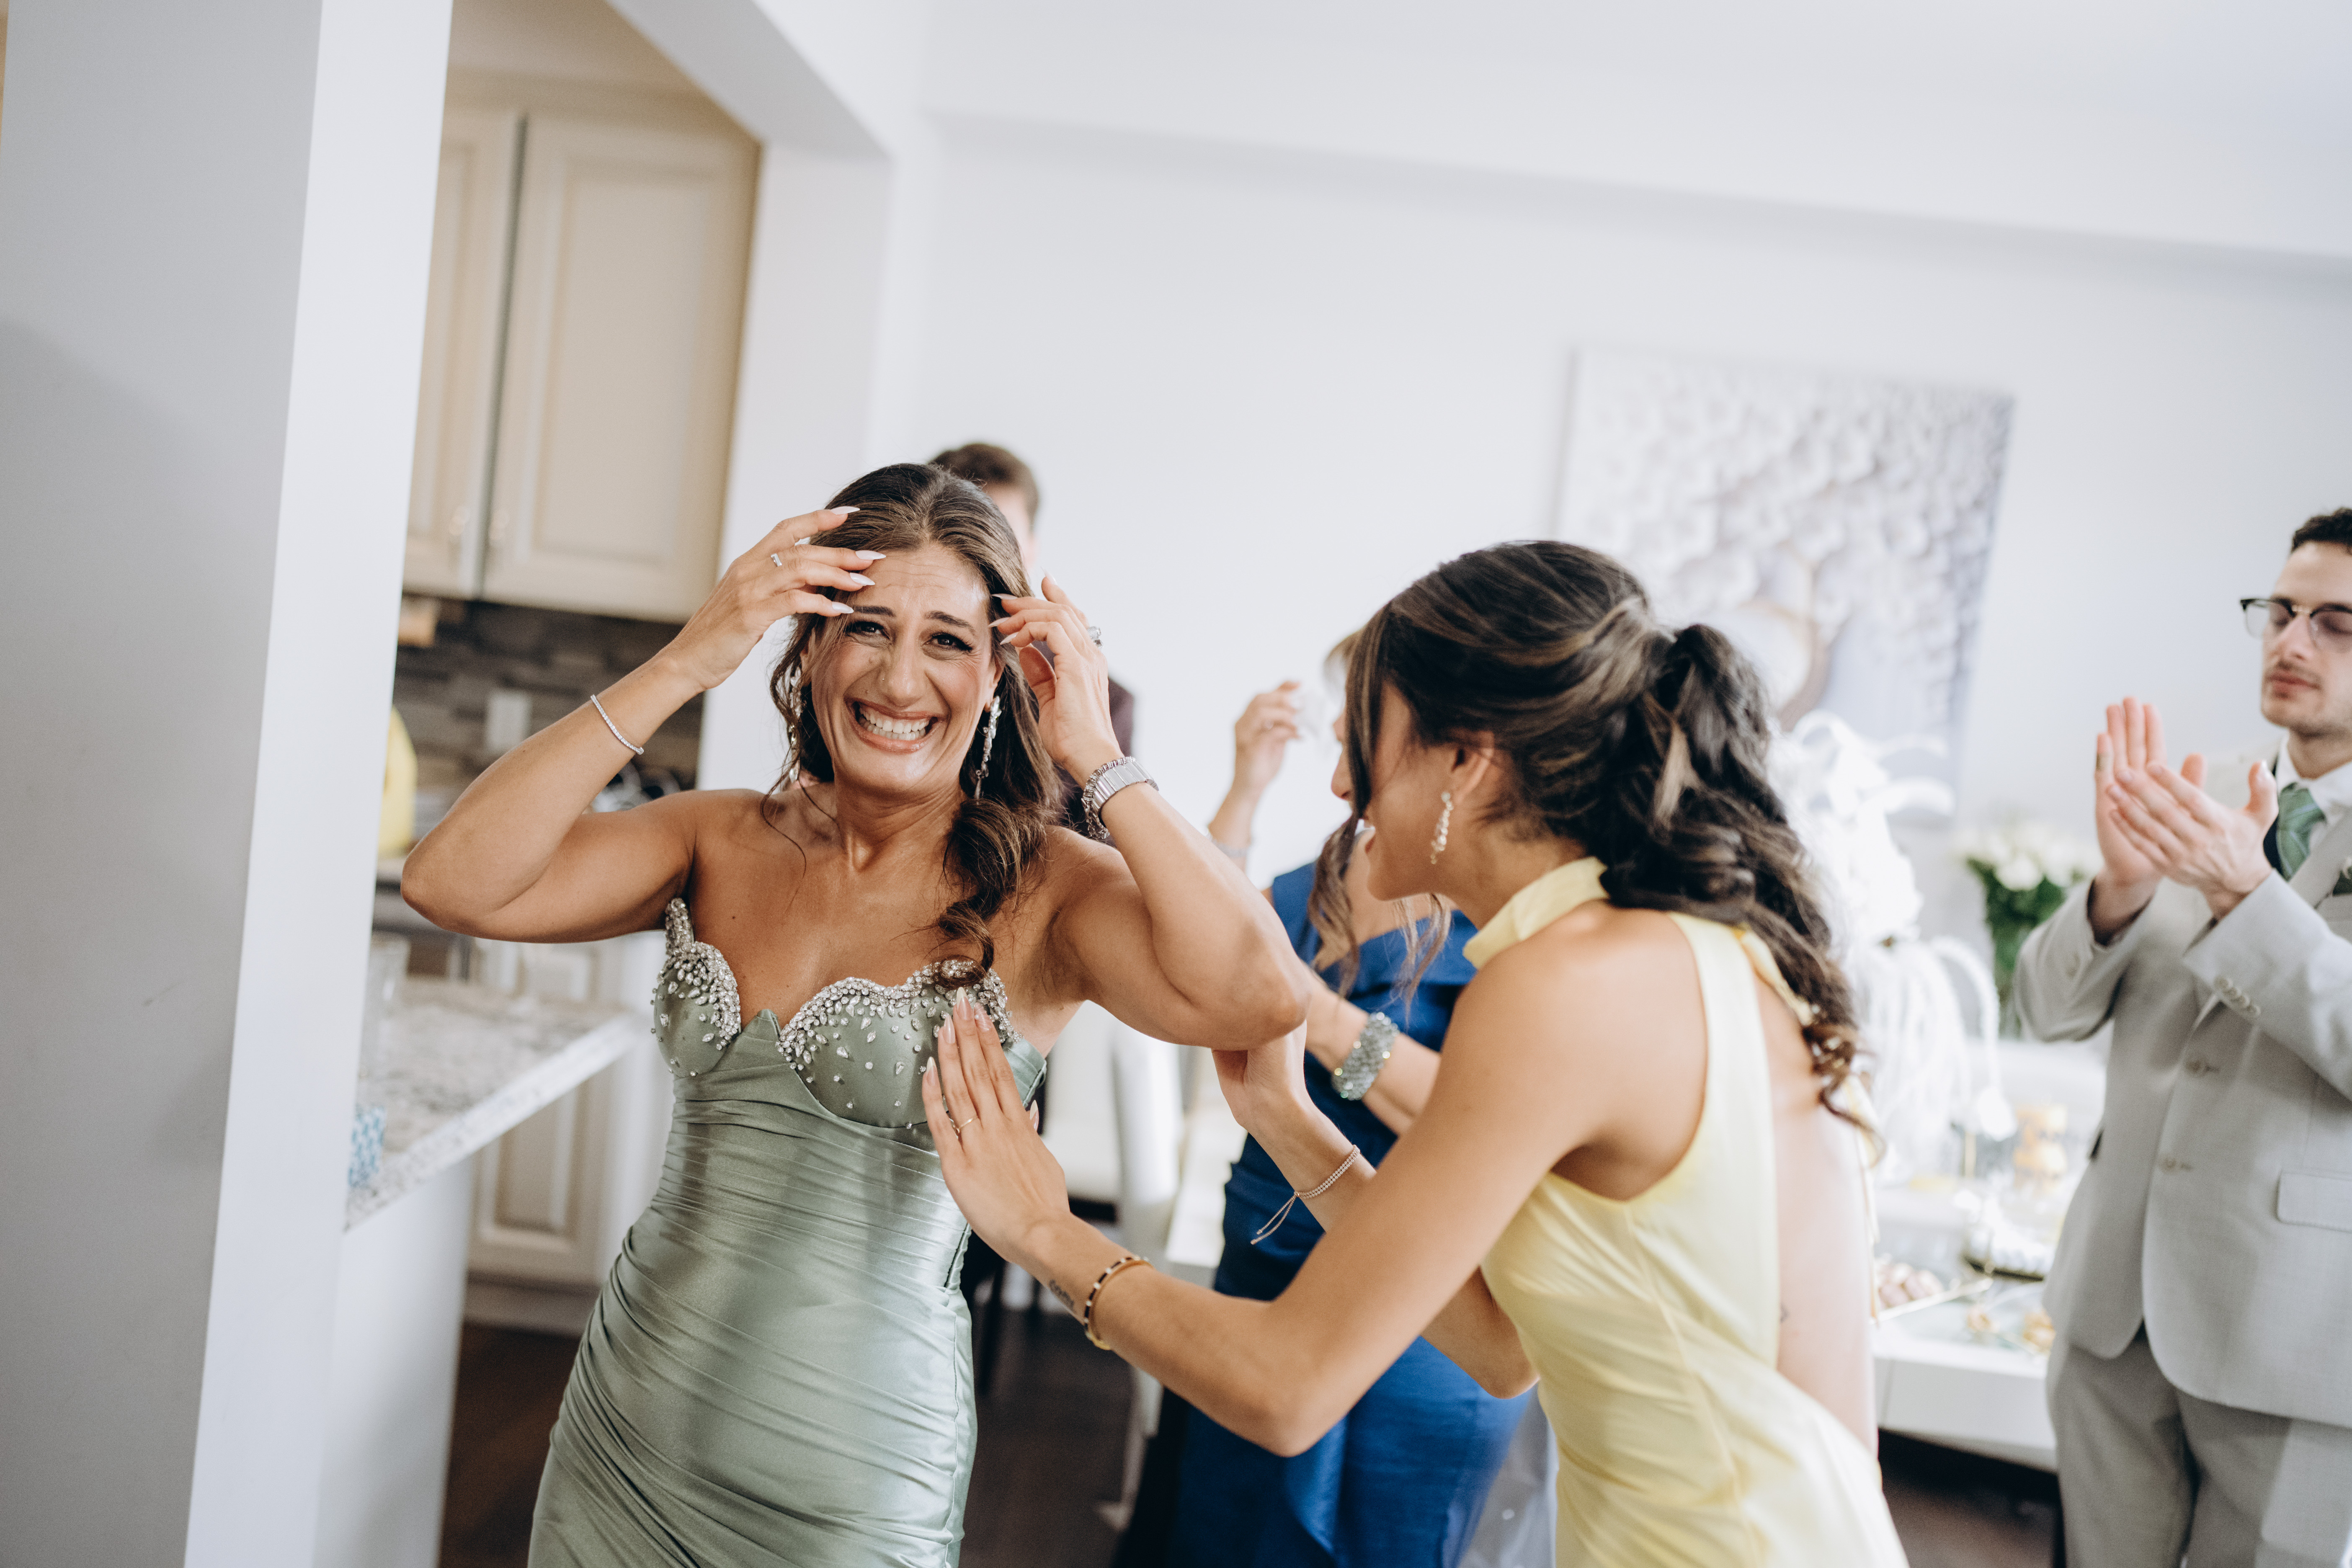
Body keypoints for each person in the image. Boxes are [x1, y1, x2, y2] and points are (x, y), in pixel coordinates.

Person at [922, 540, 1908, 1566]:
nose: (1341, 779)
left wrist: (1043, 1228)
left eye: (1367, 739)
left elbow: (1285, 1386)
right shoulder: (1675, 948)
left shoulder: (1568, 982)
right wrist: (1291, 1125)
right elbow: (1500, 1345)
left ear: (1465, 760)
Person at [400, 463, 1305, 1568]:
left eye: (947, 641)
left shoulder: (1049, 891)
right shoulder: (717, 839)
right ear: (812, 646)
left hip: (853, 1478)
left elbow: (1261, 994)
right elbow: (452, 881)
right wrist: (690, 657)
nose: (898, 676)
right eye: (867, 627)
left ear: (998, 675)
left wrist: (1099, 758)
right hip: (625, 1430)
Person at [1137, 654, 1530, 1568]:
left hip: (1413, 1295)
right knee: (1220, 1531)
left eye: (1366, 734)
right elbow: (1202, 947)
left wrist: (1319, 1018)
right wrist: (1246, 787)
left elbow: (1478, 1115)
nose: (1342, 771)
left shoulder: (1501, 916)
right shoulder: (1330, 870)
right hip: (1263, 1243)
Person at [2015, 507, 2352, 1567]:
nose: (2291, 641)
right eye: (2280, 611)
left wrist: (2250, 895)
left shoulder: (2224, 844)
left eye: (2337, 623)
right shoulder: (2191, 800)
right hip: (2112, 1309)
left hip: (2295, 1339)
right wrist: (2116, 891)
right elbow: (2045, 1010)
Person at [931, 442, 1135, 797]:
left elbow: (1115, 833)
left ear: (1031, 548)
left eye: (1000, 536)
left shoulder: (1101, 701)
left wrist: (1095, 754)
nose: (980, 555)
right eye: (959, 532)